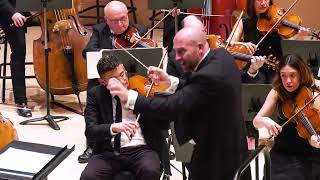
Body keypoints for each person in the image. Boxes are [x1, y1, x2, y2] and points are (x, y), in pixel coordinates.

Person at [107, 27, 251, 180]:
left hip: (215, 153)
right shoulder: (222, 56)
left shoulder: (207, 76)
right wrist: (170, 80)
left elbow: (170, 107)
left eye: (182, 51)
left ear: (200, 48)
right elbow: (199, 90)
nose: (177, 58)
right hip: (232, 142)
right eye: (176, 52)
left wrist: (128, 96)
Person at [80, 54, 169, 180]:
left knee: (150, 170)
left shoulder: (139, 89)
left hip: (142, 149)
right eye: (115, 79)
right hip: (109, 152)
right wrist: (113, 127)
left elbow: (163, 122)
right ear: (103, 82)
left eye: (122, 74)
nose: (123, 81)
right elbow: (90, 131)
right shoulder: (95, 94)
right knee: (88, 177)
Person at [79, 0, 147, 163]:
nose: (121, 23)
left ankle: (151, 141)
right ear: (106, 20)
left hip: (132, 78)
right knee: (93, 94)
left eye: (123, 18)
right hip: (108, 78)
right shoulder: (99, 30)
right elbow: (87, 52)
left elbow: (149, 55)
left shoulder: (139, 29)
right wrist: (110, 55)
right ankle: (92, 144)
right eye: (115, 20)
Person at [253, 54, 320, 180]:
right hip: (284, 153)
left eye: (292, 75)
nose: (287, 81)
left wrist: (313, 139)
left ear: (301, 73)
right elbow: (256, 121)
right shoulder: (277, 91)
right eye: (283, 75)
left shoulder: (315, 89)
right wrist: (265, 120)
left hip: (312, 152)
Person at [228, 0, 308, 83]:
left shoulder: (278, 22)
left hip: (276, 68)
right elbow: (229, 44)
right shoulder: (244, 22)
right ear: (252, 2)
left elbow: (290, 47)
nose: (263, 3)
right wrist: (244, 44)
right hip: (254, 68)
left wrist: (299, 36)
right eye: (259, 0)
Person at [0, 0, 32, 117]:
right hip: (9, 12)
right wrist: (13, 13)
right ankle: (21, 101)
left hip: (26, 9)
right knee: (19, 50)